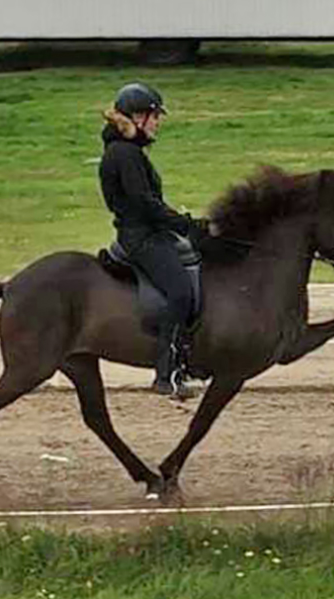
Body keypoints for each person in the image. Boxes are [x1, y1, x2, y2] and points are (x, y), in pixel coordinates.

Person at [98, 82, 200, 397]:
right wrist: (185, 224)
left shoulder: (129, 152)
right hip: (141, 238)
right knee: (181, 292)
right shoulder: (125, 154)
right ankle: (166, 374)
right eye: (155, 116)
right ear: (138, 117)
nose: (158, 123)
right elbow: (145, 204)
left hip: (148, 231)